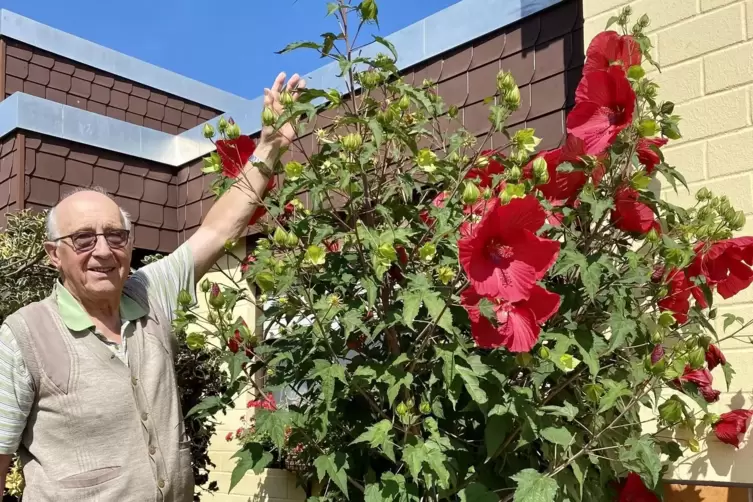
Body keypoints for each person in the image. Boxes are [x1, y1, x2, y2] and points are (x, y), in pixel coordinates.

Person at [0, 71, 305, 501]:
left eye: (116, 236)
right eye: (83, 239)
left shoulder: (148, 293)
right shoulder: (22, 337)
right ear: (55, 255)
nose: (103, 251)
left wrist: (270, 148)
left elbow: (219, 231)